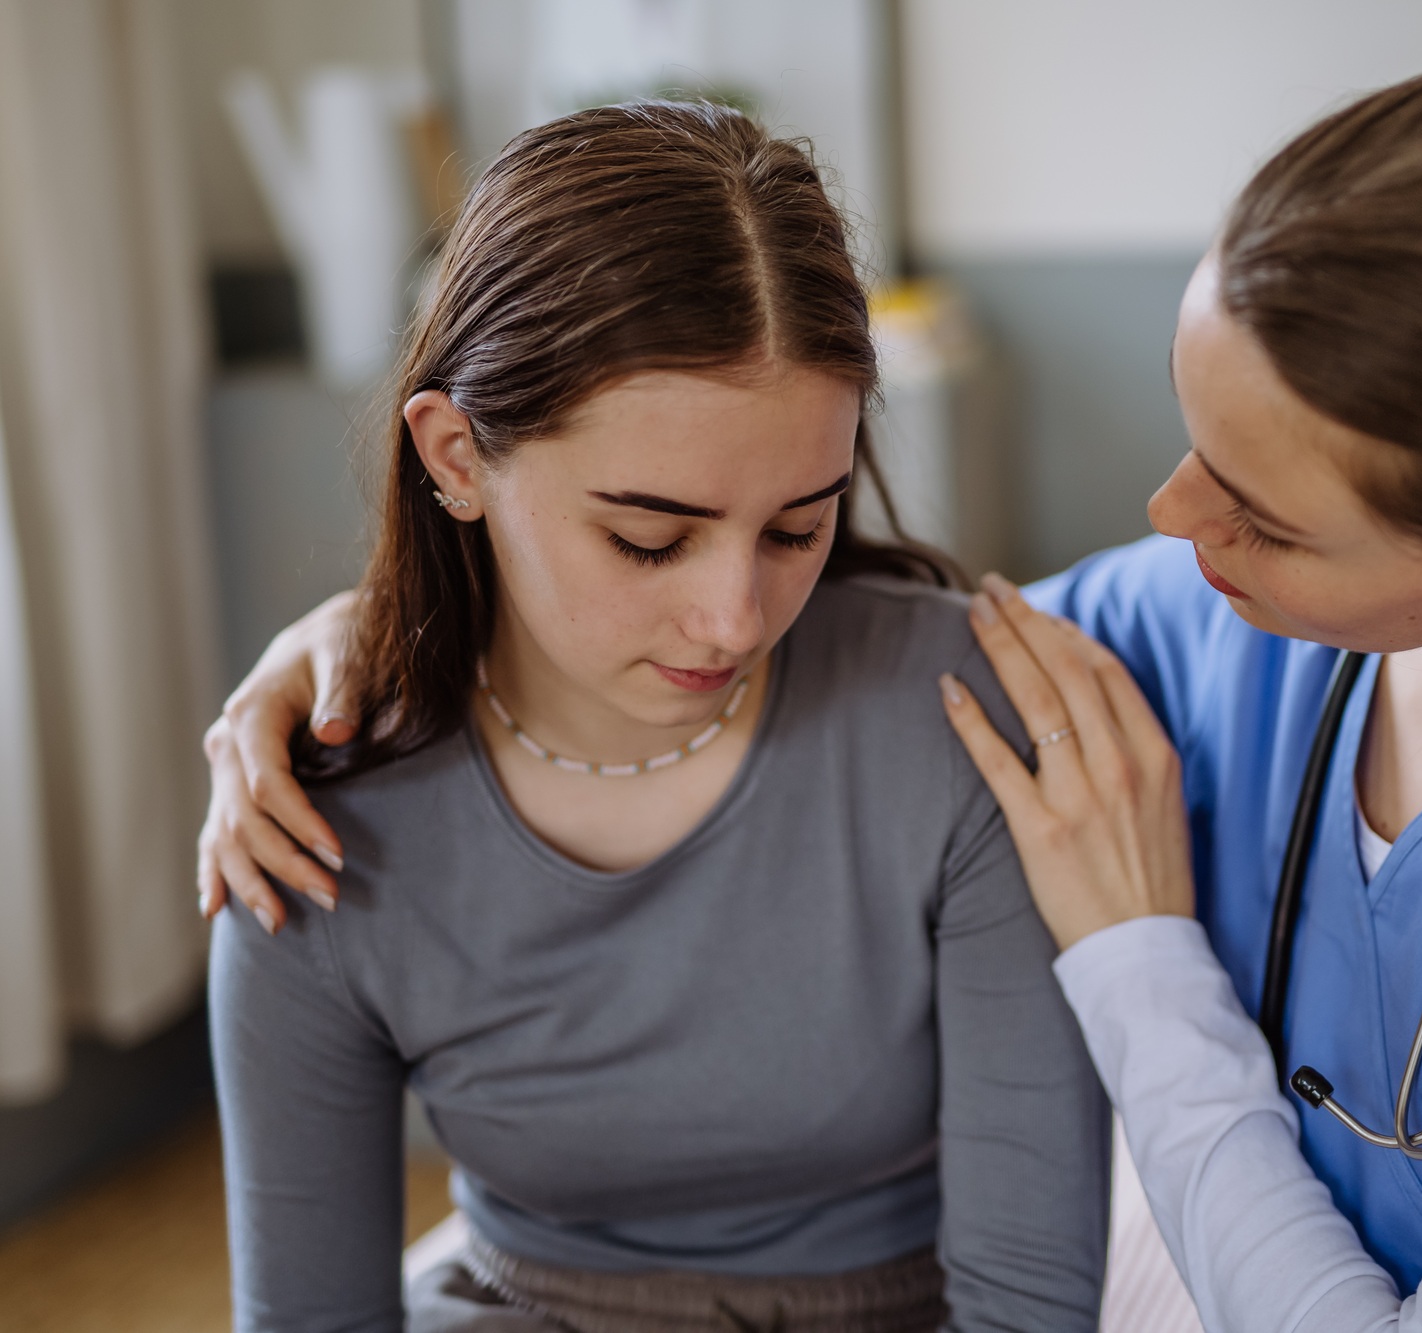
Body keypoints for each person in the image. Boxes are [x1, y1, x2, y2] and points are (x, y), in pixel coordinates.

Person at [202, 64, 1422, 1333]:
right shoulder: (1226, 625)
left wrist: (1138, 961)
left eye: (1260, 507)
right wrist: (358, 636)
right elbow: (802, 655)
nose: (1164, 519)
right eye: (1194, 439)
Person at [202, 101, 1107, 1333]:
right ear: (456, 458)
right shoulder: (308, 806)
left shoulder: (956, 723)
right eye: (647, 538)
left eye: (798, 525)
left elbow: (1024, 1305)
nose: (735, 619)